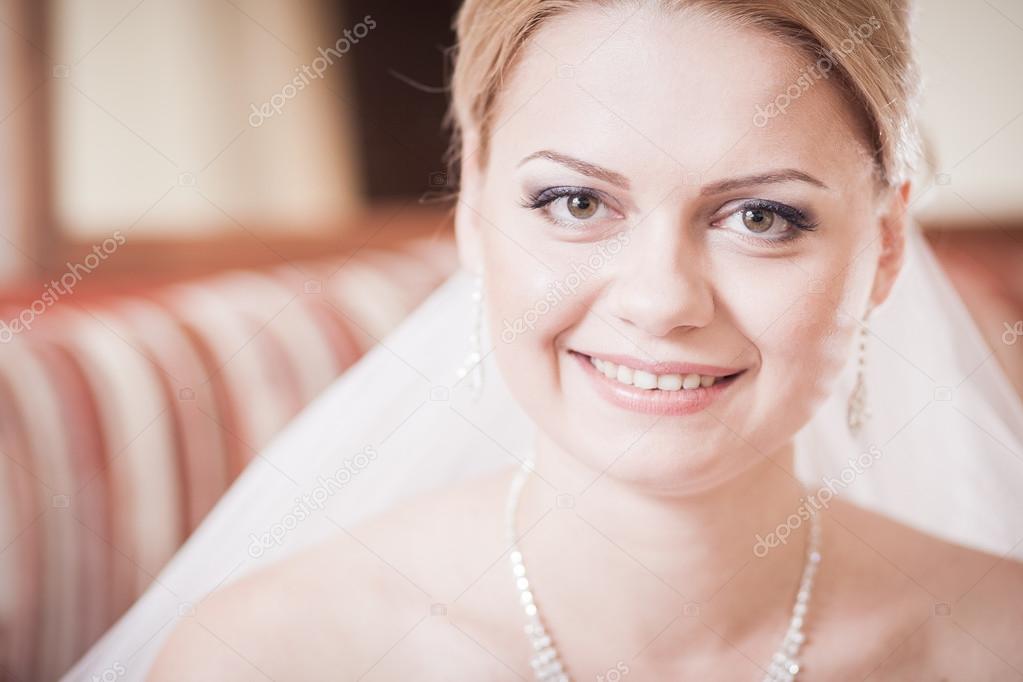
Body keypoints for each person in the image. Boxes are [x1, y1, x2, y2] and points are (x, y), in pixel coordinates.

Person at [68, 1, 1023, 680]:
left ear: (886, 245)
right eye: (575, 202)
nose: (659, 302)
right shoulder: (270, 657)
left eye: (762, 217)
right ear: (473, 208)